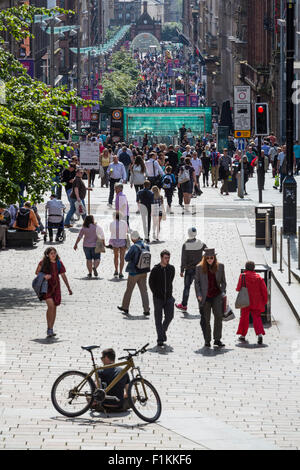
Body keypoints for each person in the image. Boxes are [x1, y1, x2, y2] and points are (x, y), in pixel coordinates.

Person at [35, 247, 72, 337]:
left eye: (54, 253)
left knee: (54, 307)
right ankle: (49, 328)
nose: (53, 255)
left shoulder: (59, 263)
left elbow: (63, 275)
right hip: (46, 287)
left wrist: (68, 288)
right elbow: (37, 272)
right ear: (47, 255)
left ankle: (51, 328)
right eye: (51, 253)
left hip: (56, 287)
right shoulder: (43, 263)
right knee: (51, 306)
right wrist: (44, 276)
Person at [195, 248, 227, 348]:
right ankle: (207, 340)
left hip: (217, 296)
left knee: (218, 317)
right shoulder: (199, 268)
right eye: (207, 258)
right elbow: (197, 283)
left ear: (214, 258)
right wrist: (199, 294)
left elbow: (224, 282)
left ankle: (217, 339)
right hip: (205, 297)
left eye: (211, 258)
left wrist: (222, 292)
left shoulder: (220, 267)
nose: (209, 260)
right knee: (206, 319)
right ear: (204, 258)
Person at [118, 231, 150, 317]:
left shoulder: (134, 247)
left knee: (129, 290)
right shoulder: (146, 246)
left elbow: (127, 258)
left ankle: (125, 307)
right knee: (144, 291)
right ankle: (146, 309)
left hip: (134, 272)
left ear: (133, 239)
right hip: (144, 271)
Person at [236, 261, 268, 345]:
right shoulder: (259, 278)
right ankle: (259, 334)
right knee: (257, 318)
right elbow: (264, 291)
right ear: (254, 268)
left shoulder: (243, 276)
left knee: (244, 318)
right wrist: (264, 301)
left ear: (246, 267)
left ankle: (243, 335)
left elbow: (238, 288)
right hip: (256, 301)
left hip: (245, 300)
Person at [175, 227, 207, 312]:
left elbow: (183, 259)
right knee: (199, 288)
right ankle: (202, 306)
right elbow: (208, 251)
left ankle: (184, 305)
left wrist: (182, 270)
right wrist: (203, 259)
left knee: (187, 287)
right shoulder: (200, 243)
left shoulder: (185, 245)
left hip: (189, 270)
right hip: (199, 269)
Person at [149, 250, 175, 348]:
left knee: (170, 316)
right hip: (158, 298)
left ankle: (162, 331)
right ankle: (160, 339)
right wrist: (156, 293)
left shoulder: (171, 269)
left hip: (168, 297)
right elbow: (151, 283)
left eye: (168, 258)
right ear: (161, 258)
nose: (167, 260)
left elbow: (171, 280)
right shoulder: (155, 269)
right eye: (165, 258)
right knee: (158, 318)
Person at [109, 211, 128, 279]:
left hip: (115, 240)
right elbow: (126, 231)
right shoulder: (124, 223)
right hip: (122, 240)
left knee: (116, 256)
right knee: (122, 257)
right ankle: (121, 272)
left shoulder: (112, 223)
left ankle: (116, 270)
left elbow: (111, 231)